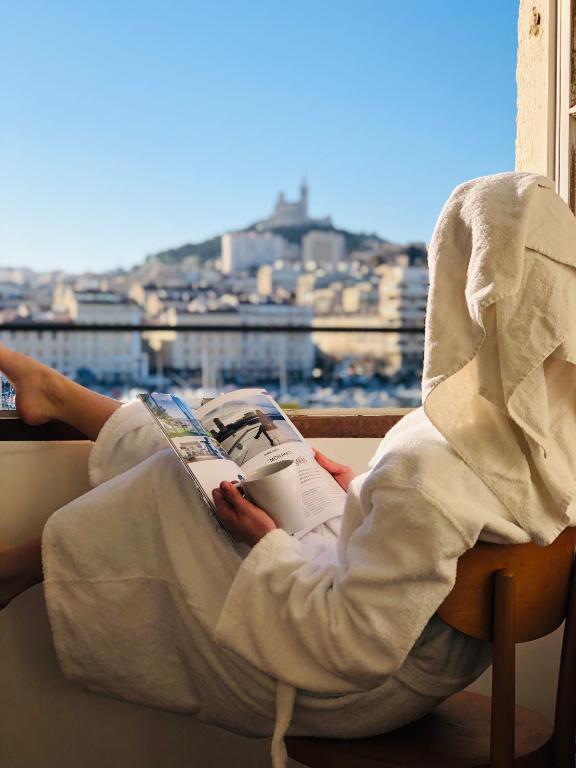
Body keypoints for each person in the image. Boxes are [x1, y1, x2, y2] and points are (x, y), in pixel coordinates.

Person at [2, 171, 576, 768]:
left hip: (365, 690)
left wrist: (267, 542)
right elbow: (446, 535)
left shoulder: (426, 461)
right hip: (425, 661)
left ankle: (16, 566)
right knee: (210, 448)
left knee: (181, 482)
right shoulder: (547, 439)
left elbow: (352, 645)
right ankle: (60, 398)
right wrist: (357, 490)